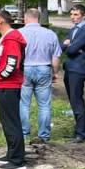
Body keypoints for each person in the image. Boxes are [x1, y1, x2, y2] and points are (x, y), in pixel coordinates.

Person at [0, 9, 27, 169]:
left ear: (1, 21)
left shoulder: (11, 39)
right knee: (6, 121)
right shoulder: (5, 38)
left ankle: (17, 160)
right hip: (4, 85)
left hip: (8, 86)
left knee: (11, 122)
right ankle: (12, 154)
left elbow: (11, 64)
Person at [19, 8, 61, 145]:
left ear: (25, 18)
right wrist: (55, 72)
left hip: (25, 69)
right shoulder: (50, 34)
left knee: (24, 104)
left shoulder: (19, 33)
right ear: (39, 18)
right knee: (44, 105)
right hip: (44, 68)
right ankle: (44, 135)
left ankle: (24, 133)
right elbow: (55, 58)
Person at [62, 3, 85, 143]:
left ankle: (82, 133)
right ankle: (79, 130)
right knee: (73, 100)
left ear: (84, 16)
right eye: (71, 14)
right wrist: (69, 46)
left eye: (76, 15)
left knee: (77, 100)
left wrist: (70, 46)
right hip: (69, 68)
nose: (72, 17)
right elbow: (63, 47)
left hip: (78, 69)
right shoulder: (73, 30)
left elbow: (70, 50)